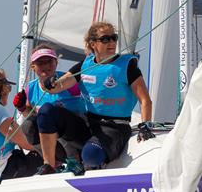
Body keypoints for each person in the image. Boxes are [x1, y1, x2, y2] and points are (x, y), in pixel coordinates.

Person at [42, 22, 154, 169]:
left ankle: (88, 162)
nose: (112, 42)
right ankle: (48, 166)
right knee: (46, 112)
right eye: (105, 39)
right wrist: (49, 83)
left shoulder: (127, 66)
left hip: (115, 127)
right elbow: (59, 86)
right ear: (93, 43)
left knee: (90, 155)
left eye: (114, 38)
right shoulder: (85, 65)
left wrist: (145, 125)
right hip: (88, 124)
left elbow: (145, 100)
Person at [13, 44, 89, 173]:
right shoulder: (31, 88)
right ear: (33, 67)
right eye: (40, 63)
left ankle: (76, 161)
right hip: (56, 139)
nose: (46, 66)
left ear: (56, 62)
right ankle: (55, 163)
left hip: (78, 133)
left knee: (49, 112)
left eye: (49, 61)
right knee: (27, 126)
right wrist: (21, 108)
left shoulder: (68, 81)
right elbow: (31, 116)